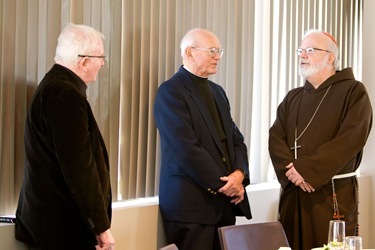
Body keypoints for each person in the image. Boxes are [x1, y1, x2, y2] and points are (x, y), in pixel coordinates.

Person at [269, 29, 372, 250]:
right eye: (300, 50)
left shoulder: (354, 92)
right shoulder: (293, 97)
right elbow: (275, 137)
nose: (302, 55)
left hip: (331, 193)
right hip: (294, 193)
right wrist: (293, 173)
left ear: (330, 56)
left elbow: (351, 138)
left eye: (309, 50)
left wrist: (307, 170)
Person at [15, 23, 115, 250]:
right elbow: (79, 168)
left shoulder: (54, 86)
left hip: (52, 226)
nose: (102, 63)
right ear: (84, 61)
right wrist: (100, 226)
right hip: (61, 230)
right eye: (101, 57)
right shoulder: (65, 94)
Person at [153, 28, 252, 250]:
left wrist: (239, 175)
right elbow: (187, 150)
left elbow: (236, 140)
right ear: (189, 52)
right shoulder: (170, 92)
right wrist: (227, 186)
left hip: (223, 206)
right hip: (191, 209)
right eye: (212, 51)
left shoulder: (218, 92)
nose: (218, 57)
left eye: (220, 51)